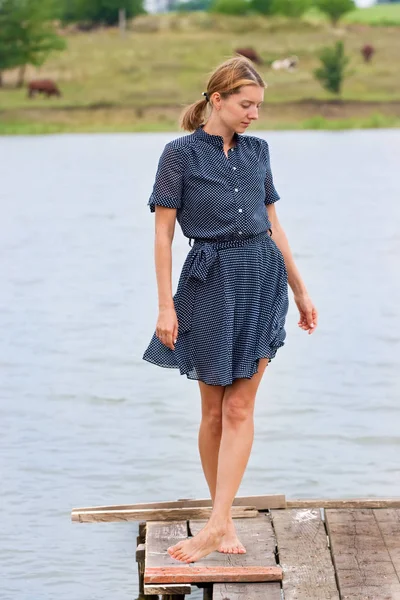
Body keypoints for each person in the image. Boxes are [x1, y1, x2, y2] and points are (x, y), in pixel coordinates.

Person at [142, 56, 318, 564]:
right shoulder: (178, 155)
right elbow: (163, 232)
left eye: (259, 106)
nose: (254, 115)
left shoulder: (259, 151)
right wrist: (164, 306)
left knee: (241, 406)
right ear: (216, 100)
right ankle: (221, 519)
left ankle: (219, 521)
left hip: (262, 278)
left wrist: (301, 290)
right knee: (214, 409)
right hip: (210, 282)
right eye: (246, 105)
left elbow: (274, 226)